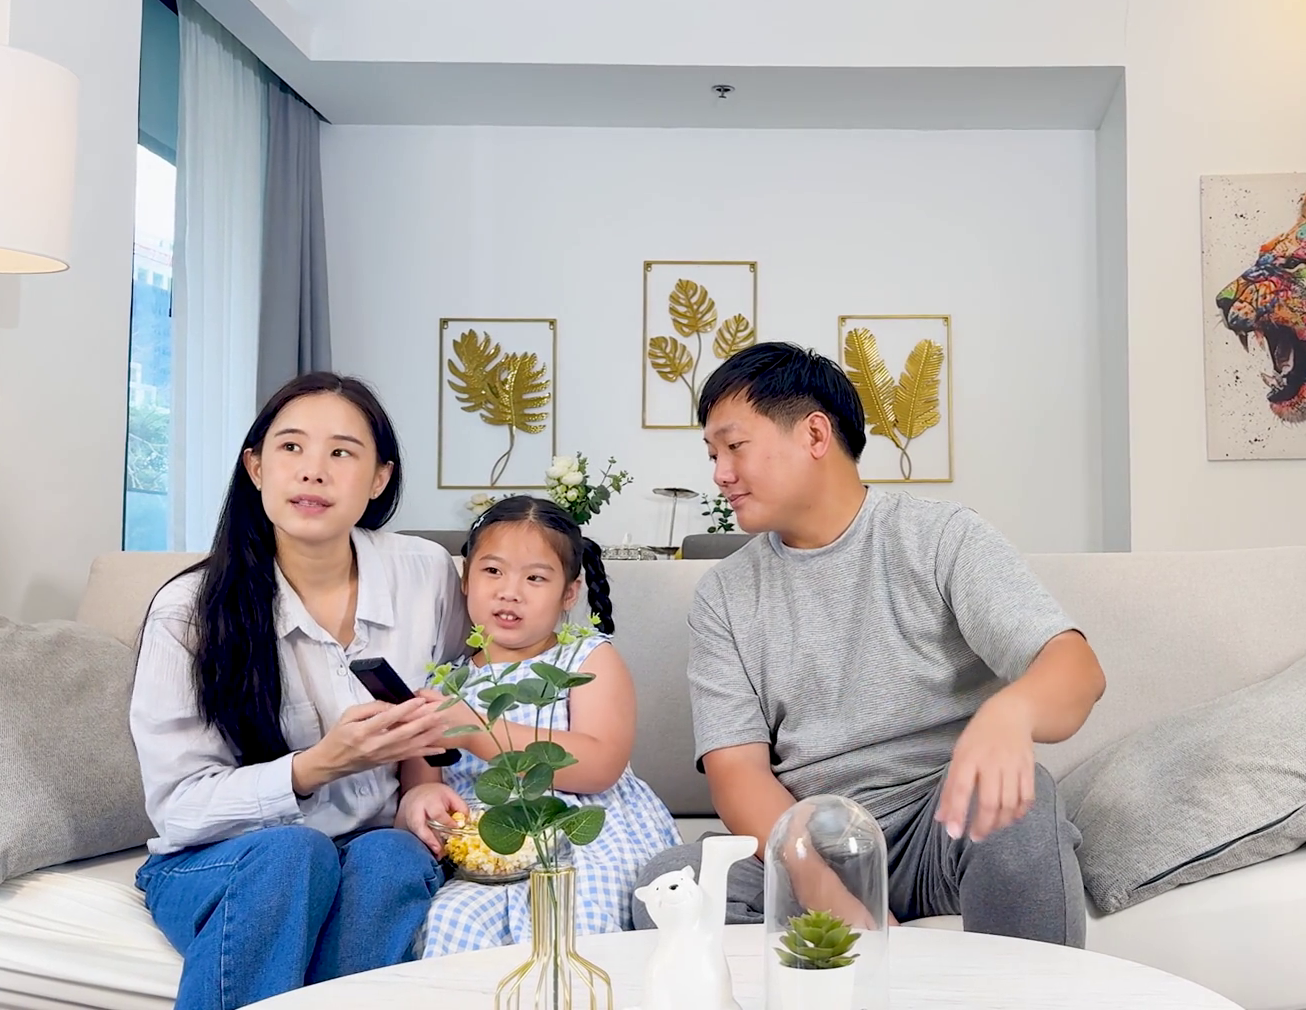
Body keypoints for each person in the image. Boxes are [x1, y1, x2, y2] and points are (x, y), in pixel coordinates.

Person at [629, 342, 1107, 946]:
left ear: (815, 434)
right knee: (673, 885)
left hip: (942, 819)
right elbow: (737, 773)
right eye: (713, 454)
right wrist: (827, 891)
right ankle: (888, 978)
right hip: (810, 835)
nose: (720, 474)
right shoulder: (723, 595)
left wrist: (1011, 711)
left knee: (1024, 804)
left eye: (735, 446)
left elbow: (1076, 669)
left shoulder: (941, 537)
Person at [129, 372, 469, 1010]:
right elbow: (177, 809)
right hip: (224, 857)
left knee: (394, 856)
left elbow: (444, 693)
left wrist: (421, 784)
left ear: (379, 479)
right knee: (294, 853)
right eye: (291, 447)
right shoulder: (188, 611)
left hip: (369, 842)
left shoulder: (425, 572)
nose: (313, 470)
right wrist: (317, 766)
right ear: (256, 468)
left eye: (341, 452)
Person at [411, 496, 680, 956]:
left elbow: (600, 764)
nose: (510, 592)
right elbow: (421, 780)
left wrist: (477, 731)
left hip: (582, 835)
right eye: (492, 571)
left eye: (535, 578)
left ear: (569, 593)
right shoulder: (445, 681)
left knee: (574, 922)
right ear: (466, 577)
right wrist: (420, 798)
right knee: (449, 921)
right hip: (486, 852)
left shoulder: (587, 658)